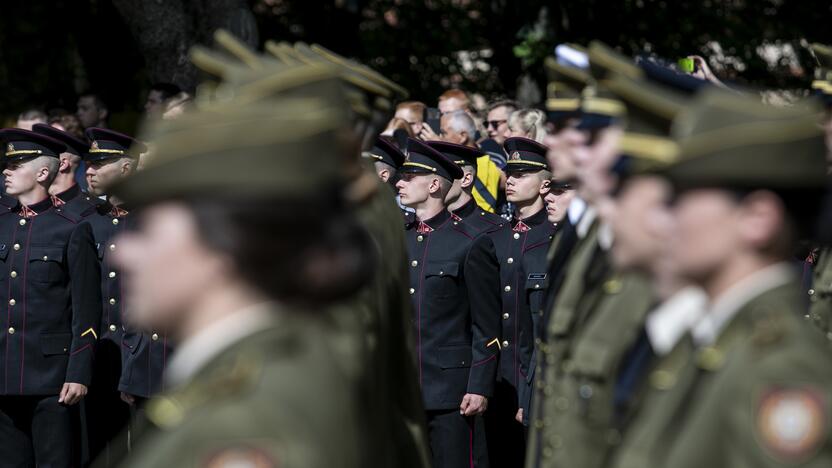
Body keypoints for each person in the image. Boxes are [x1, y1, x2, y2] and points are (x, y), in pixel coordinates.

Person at [100, 92, 376, 468]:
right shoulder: (238, 379)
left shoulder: (244, 421)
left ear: (220, 250)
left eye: (148, 230)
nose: (121, 252)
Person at [637, 88, 831, 468]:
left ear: (757, 218)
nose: (661, 219)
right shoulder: (716, 339)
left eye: (680, 197)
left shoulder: (781, 365)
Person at [396, 137, 501, 468]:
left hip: (452, 393)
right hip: (402, 391)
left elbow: (487, 323)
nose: (399, 182)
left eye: (409, 177)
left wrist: (479, 385)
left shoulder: (469, 242)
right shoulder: (398, 239)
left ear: (434, 184)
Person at [0, 129, 102, 467]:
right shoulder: (2, 224)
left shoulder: (72, 228)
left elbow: (86, 310)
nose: (6, 170)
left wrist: (79, 371)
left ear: (43, 173)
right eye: (7, 164)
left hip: (52, 379)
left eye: (16, 164)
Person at [486, 137, 556, 467]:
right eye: (509, 173)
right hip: (495, 377)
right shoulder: (495, 237)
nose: (510, 179)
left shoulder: (555, 240)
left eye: (522, 173)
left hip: (533, 378)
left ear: (545, 184)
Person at [427, 140, 505, 234]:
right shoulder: (423, 224)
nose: (435, 182)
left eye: (445, 174)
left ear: (466, 179)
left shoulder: (495, 228)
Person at [439, 109, 505, 215]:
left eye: (443, 133)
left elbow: (482, 212)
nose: (439, 138)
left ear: (463, 136)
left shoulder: (482, 165)